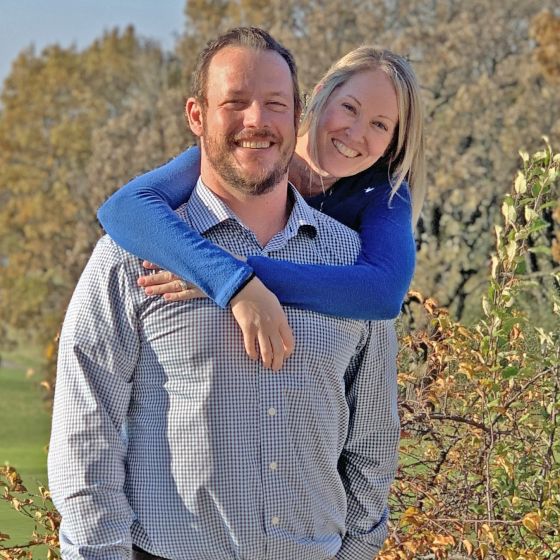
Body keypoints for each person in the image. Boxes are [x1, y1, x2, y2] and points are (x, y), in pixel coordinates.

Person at [49, 27, 400, 560]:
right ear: (197, 115)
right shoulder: (132, 257)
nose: (256, 120)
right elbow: (84, 438)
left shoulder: (351, 265)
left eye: (275, 104)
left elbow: (372, 442)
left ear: (297, 115)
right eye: (235, 102)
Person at [97, 43, 425, 371]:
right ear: (322, 94)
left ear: (392, 143)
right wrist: (228, 279)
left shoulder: (383, 194)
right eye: (349, 108)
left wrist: (248, 277)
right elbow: (124, 208)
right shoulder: (249, 153)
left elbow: (384, 291)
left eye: (380, 125)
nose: (355, 133)